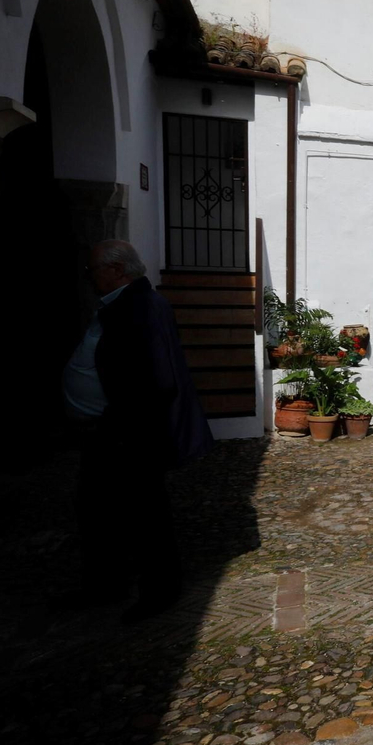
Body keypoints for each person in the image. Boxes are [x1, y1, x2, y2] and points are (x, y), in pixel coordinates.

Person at [64, 240, 212, 621]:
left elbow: (155, 378)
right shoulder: (129, 303)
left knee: (144, 515)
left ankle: (158, 591)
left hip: (128, 432)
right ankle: (110, 583)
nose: (88, 277)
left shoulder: (138, 307)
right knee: (102, 511)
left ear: (117, 270)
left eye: (93, 270)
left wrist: (120, 421)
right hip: (118, 430)